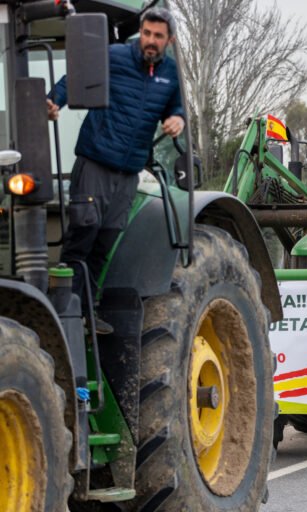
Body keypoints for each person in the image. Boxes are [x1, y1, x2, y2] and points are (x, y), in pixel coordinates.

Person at [47, 8, 185, 333]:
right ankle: (62, 309)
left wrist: (177, 118)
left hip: (129, 172)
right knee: (84, 229)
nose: (150, 41)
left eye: (158, 36)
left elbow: (175, 107)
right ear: (141, 31)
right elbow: (75, 79)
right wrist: (53, 101)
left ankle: (86, 313)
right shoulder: (114, 56)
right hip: (96, 160)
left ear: (170, 40)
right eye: (147, 33)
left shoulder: (170, 73)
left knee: (106, 240)